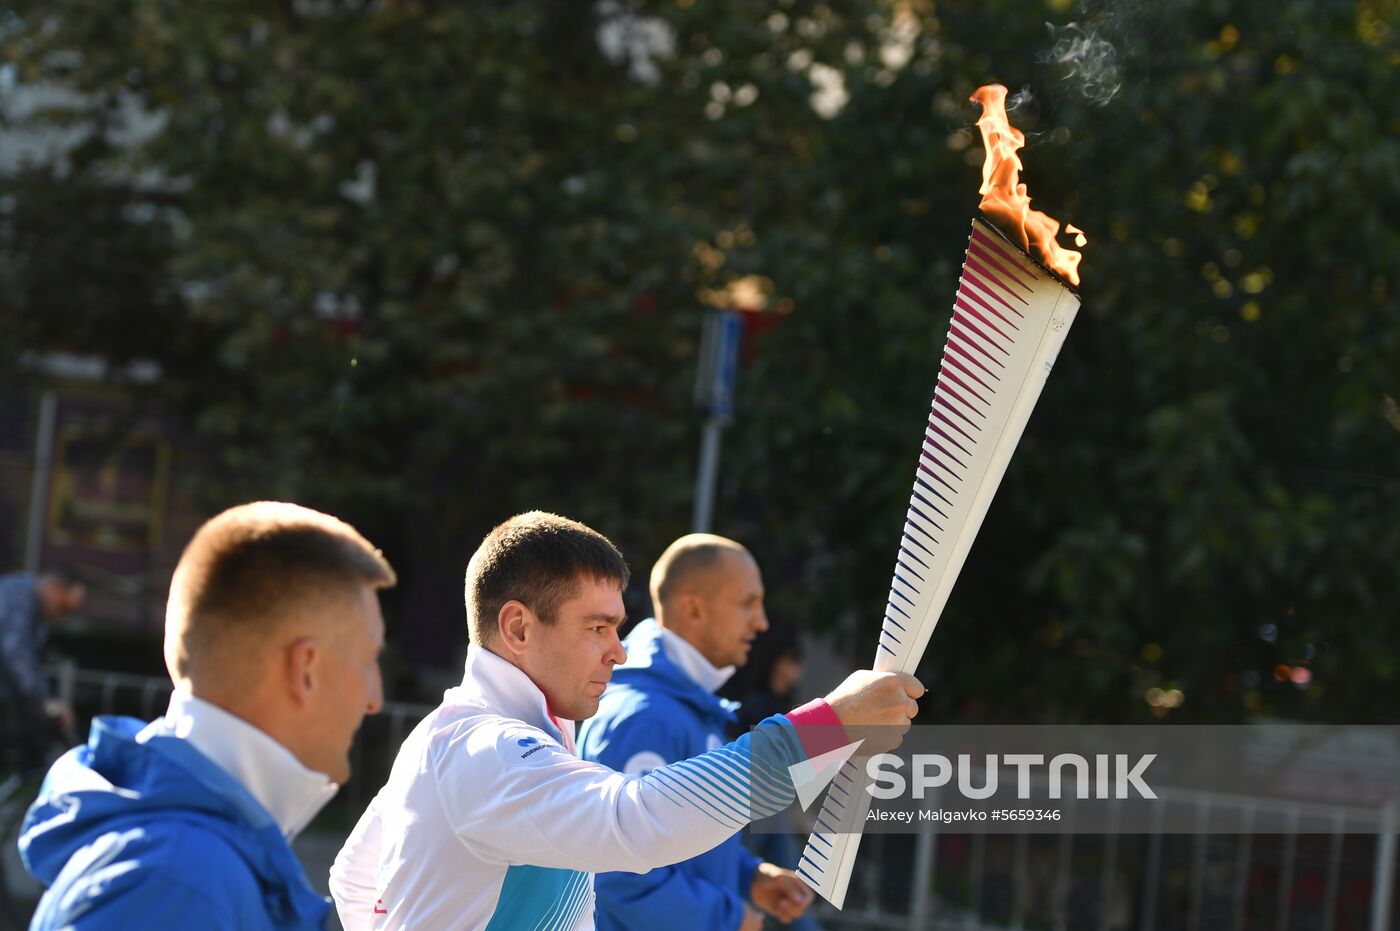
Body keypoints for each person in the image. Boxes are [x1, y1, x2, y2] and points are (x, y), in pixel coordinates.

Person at [330, 511, 922, 931]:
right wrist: (824, 728)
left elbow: (354, 878)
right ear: (517, 628)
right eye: (597, 628)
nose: (618, 651)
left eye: (618, 627)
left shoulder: (450, 734)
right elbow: (634, 821)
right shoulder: (489, 748)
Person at [20, 501, 396, 930]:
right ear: (305, 669)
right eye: (368, 660)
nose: (375, 697)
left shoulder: (184, 859)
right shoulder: (179, 878)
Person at [577, 534, 814, 931]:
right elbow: (618, 875)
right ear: (693, 609)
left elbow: (674, 831)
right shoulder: (647, 717)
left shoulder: (683, 708)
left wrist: (748, 877)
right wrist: (729, 919)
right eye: (747, 603)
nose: (761, 621)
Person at [0, 569, 85, 766]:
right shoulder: (19, 599)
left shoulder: (27, 604)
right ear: (53, 588)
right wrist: (44, 702)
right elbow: (17, 657)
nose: (63, 615)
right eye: (64, 607)